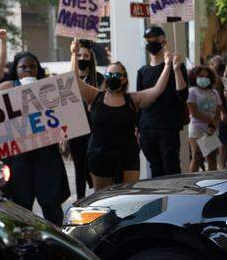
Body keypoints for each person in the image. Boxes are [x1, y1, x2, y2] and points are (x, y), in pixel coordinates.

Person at [69, 42, 178, 190]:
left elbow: (157, 90)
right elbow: (73, 80)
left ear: (124, 79)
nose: (112, 77)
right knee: (103, 200)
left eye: (116, 75)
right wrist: (74, 54)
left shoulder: (132, 100)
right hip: (100, 155)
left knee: (128, 197)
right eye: (109, 75)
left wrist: (167, 65)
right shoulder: (94, 96)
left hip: (128, 156)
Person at [0, 52, 68, 225]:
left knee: (50, 202)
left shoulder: (48, 87)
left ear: (38, 69)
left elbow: (62, 117)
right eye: (23, 67)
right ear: (15, 69)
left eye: (32, 66)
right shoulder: (6, 87)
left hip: (46, 153)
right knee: (21, 203)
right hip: (18, 155)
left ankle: (59, 241)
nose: (28, 70)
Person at [136, 26, 189, 178]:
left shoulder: (176, 67)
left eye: (155, 40)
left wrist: (177, 69)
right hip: (147, 128)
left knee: (171, 168)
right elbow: (140, 102)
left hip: (168, 127)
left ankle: (173, 201)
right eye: (148, 41)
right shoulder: (142, 71)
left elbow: (183, 95)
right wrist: (137, 128)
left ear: (163, 42)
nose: (151, 44)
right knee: (155, 169)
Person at [67, 41, 104, 199]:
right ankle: (80, 199)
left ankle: (99, 196)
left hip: (93, 128)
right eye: (79, 55)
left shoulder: (99, 78)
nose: (82, 58)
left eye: (86, 56)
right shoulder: (67, 79)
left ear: (91, 58)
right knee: (78, 167)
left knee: (94, 164)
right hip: (75, 129)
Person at [186, 64, 222, 172]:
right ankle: (191, 183)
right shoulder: (192, 91)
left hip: (212, 129)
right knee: (197, 157)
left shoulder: (214, 92)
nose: (204, 79)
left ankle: (212, 182)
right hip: (197, 129)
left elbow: (218, 110)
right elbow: (194, 112)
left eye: (206, 76)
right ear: (194, 77)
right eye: (201, 76)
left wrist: (213, 125)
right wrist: (213, 122)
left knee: (212, 158)